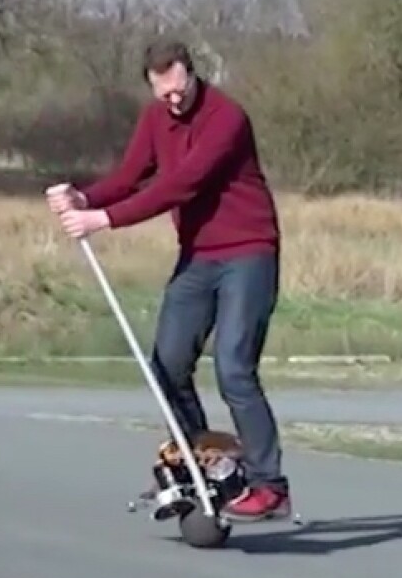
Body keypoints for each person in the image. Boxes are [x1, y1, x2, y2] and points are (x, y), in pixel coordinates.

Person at [45, 38, 290, 522]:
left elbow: (180, 185)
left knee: (234, 369)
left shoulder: (226, 118)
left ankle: (270, 487)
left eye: (181, 90)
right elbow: (131, 175)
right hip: (197, 257)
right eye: (164, 94)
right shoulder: (156, 118)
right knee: (167, 365)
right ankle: (203, 457)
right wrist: (84, 198)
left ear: (192, 74)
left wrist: (104, 219)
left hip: (249, 253)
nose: (174, 101)